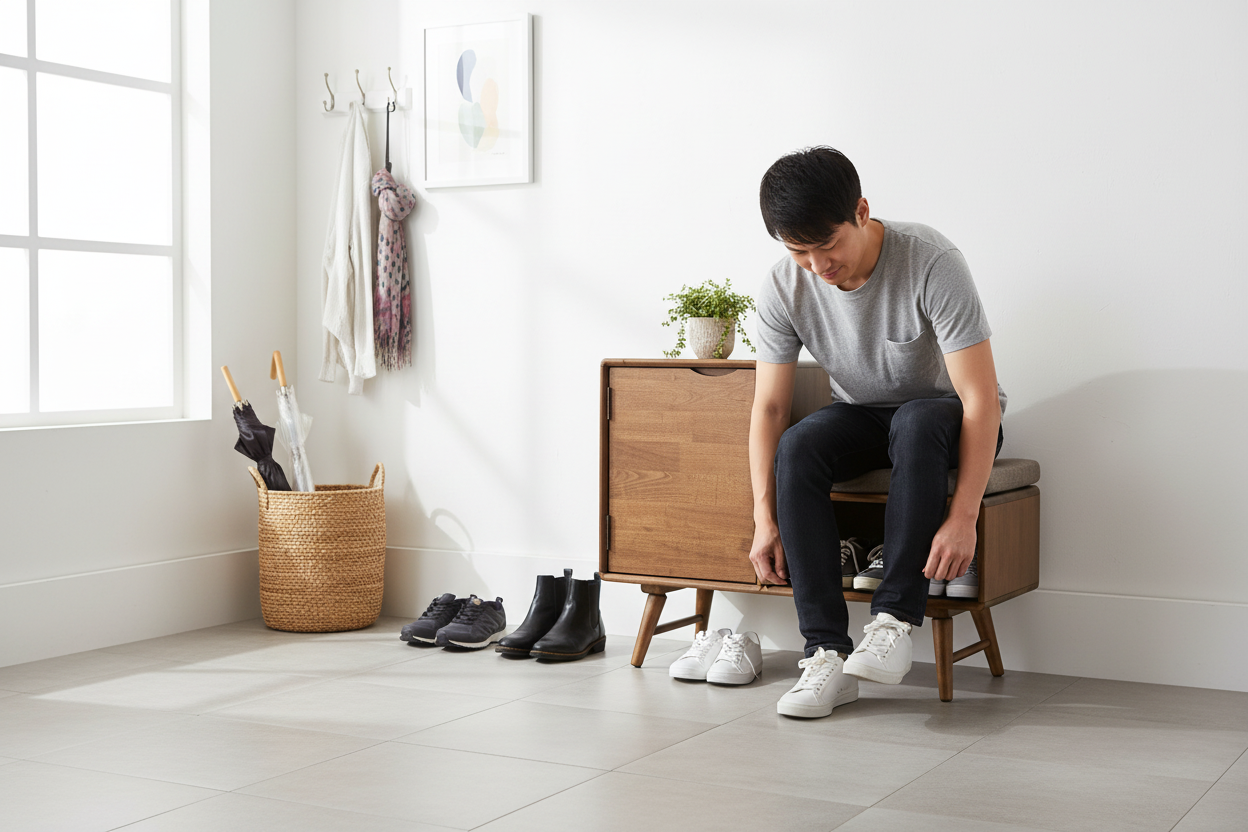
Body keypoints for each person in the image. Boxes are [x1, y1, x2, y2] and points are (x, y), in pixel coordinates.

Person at [748, 146, 1006, 718]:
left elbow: (980, 398)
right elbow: (769, 408)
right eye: (798, 251)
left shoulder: (931, 259)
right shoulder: (782, 285)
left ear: (861, 211)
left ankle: (893, 620)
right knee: (799, 443)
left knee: (915, 419)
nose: (817, 265)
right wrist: (764, 518)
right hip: (863, 413)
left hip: (945, 413)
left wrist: (963, 518)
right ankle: (825, 656)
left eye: (828, 245)